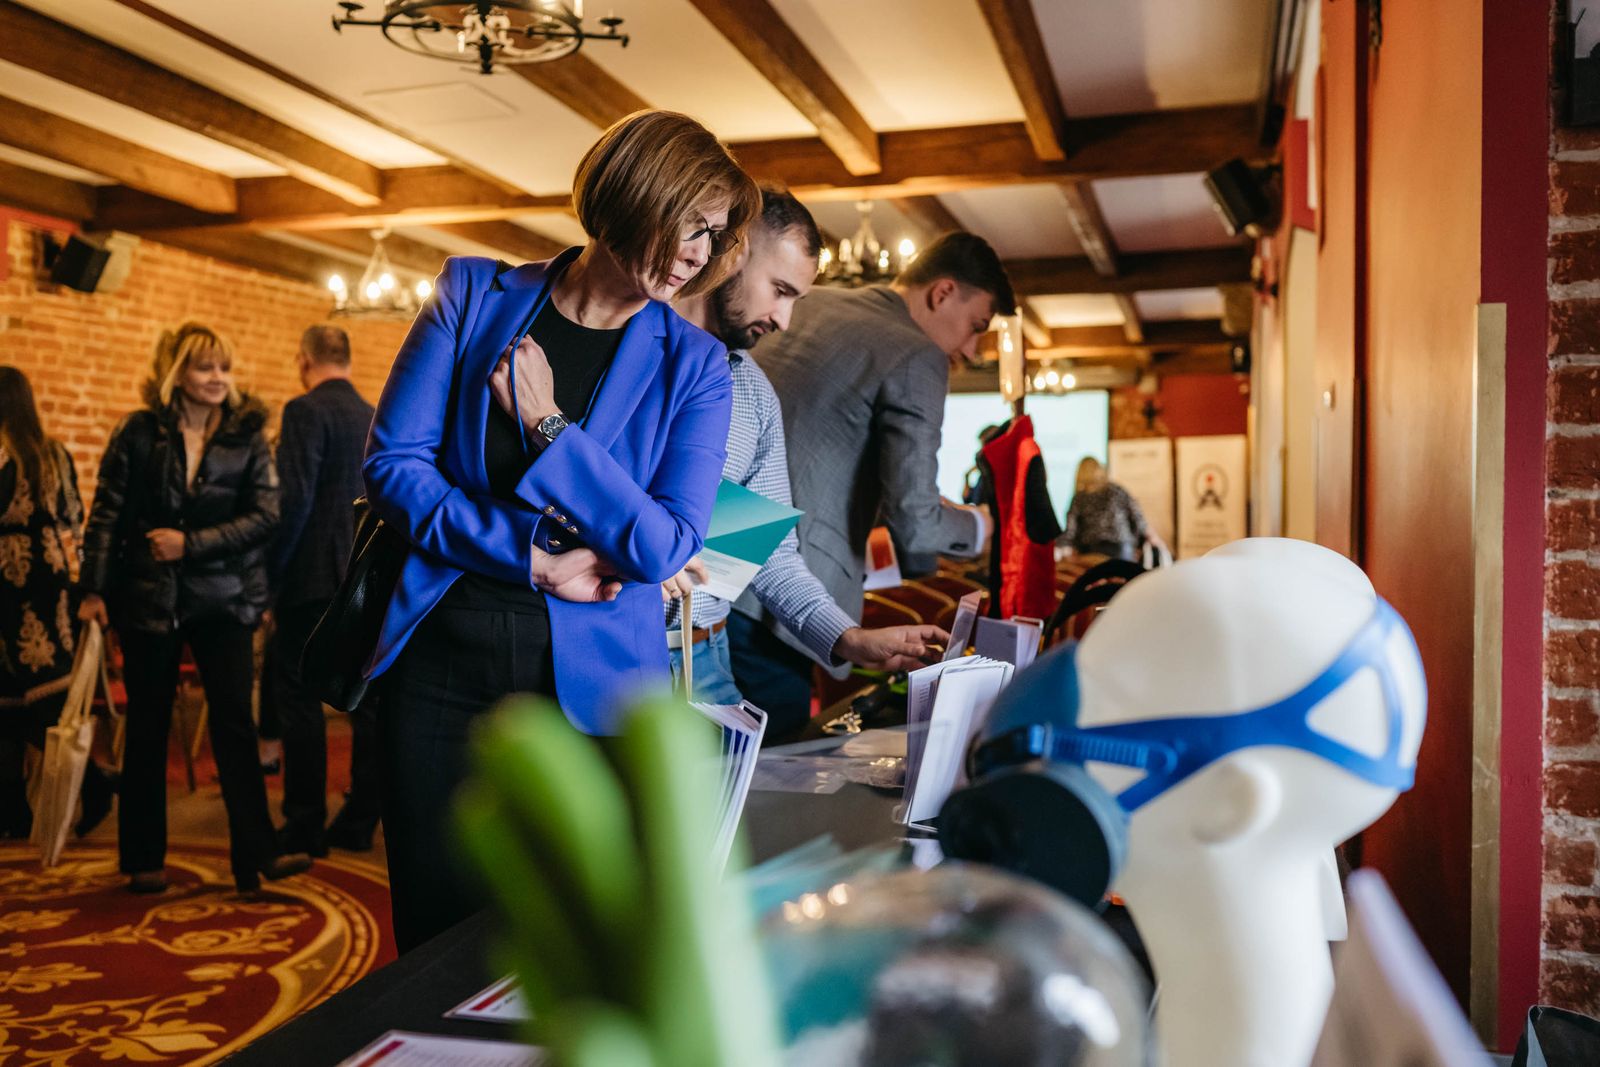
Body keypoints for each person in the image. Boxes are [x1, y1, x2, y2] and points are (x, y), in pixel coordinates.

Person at [361, 109, 758, 952]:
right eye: (689, 223)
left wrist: (549, 429)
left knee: (569, 939)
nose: (699, 252)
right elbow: (393, 467)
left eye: (713, 234)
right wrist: (531, 559)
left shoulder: (695, 366)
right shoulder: (473, 296)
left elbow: (665, 543)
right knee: (431, 931)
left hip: (599, 684)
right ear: (632, 194)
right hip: (441, 660)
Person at [665, 186, 947, 735]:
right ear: (735, 249)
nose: (785, 320)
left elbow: (767, 552)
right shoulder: (628, 350)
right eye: (780, 290)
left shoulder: (755, 398)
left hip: (707, 658)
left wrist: (848, 638)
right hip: (611, 653)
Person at [729, 233, 1016, 727]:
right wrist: (982, 526)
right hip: (785, 597)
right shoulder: (916, 355)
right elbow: (918, 526)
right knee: (772, 762)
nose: (971, 351)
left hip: (720, 557)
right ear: (943, 292)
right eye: (976, 327)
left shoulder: (809, 302)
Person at [80, 323, 308, 895]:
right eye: (205, 367)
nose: (217, 378)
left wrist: (192, 544)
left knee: (234, 726)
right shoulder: (138, 432)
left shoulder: (247, 436)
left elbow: (266, 517)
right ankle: (143, 859)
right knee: (148, 726)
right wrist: (93, 591)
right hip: (148, 598)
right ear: (176, 372)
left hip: (225, 598)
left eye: (224, 367)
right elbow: (106, 514)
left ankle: (257, 856)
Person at [262, 324, 378, 857]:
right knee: (365, 704)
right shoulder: (373, 412)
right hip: (364, 578)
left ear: (304, 360)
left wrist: (270, 581)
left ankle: (305, 822)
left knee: (299, 701)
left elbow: (294, 503)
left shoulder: (303, 411)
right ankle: (359, 819)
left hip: (309, 579)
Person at [0, 367, 113, 839]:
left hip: (39, 591)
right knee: (10, 704)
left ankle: (94, 784)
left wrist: (88, 589)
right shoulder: (42, 454)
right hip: (22, 588)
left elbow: (73, 523)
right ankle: (13, 810)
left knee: (46, 701)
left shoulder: (45, 455)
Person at [1058, 456, 1164, 562]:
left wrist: (1063, 547)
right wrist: (1147, 541)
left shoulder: (1080, 498)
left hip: (1091, 551)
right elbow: (1138, 518)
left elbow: (1070, 530)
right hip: (1122, 548)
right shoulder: (1117, 491)